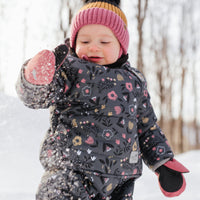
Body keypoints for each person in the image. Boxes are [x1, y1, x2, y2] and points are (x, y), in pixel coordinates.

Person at [16, 0, 189, 199]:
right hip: (71, 173)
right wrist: (35, 79)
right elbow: (36, 98)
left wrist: (163, 162)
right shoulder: (69, 71)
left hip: (120, 182)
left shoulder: (134, 82)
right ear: (73, 43)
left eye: (104, 42)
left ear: (121, 47)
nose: (93, 48)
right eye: (85, 41)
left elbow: (147, 128)